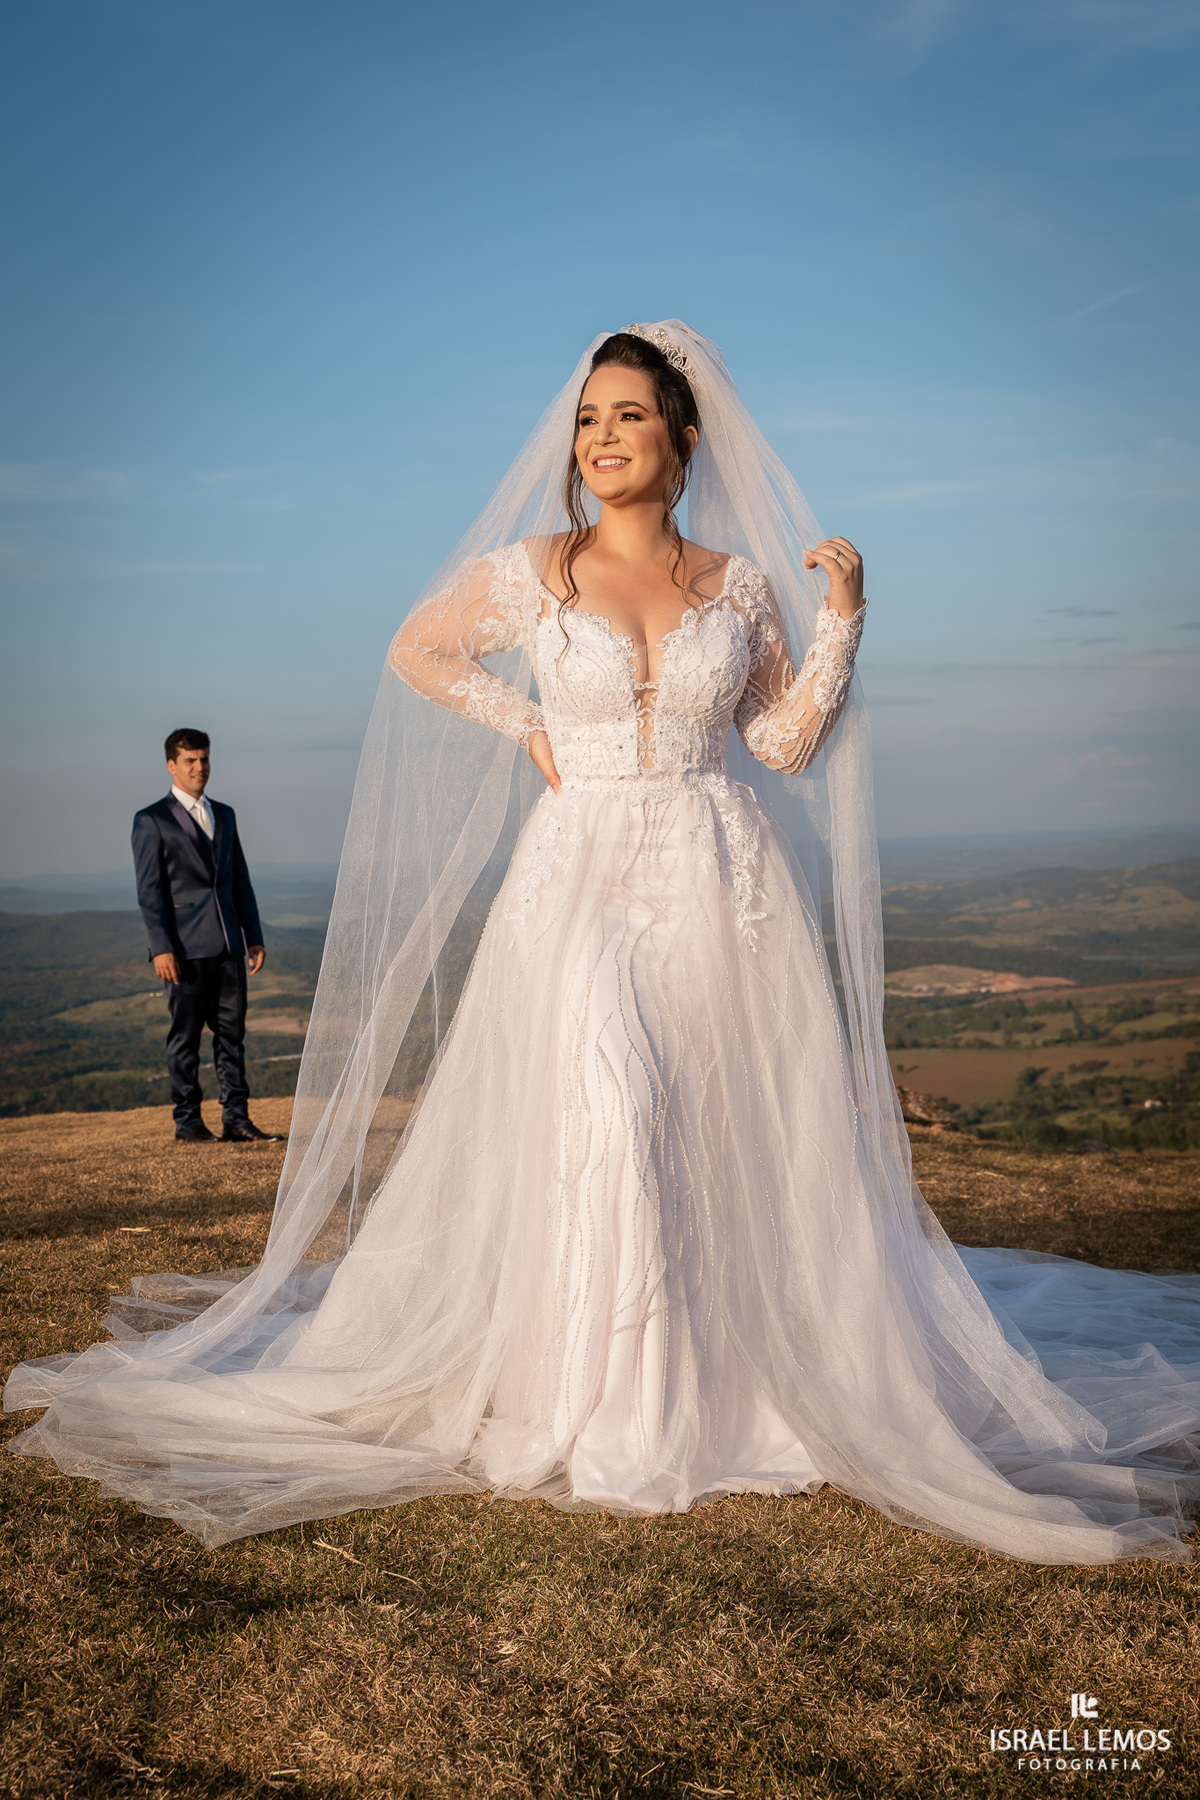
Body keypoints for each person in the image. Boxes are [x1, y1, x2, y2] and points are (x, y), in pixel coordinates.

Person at [6, 323, 1199, 1563]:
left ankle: (730, 1390)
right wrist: (526, 723)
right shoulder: (535, 569)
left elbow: (783, 743)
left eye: (628, 415)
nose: (600, 438)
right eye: (587, 418)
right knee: (604, 1098)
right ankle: (606, 1398)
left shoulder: (737, 586)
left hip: (719, 873)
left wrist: (844, 620)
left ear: (685, 437)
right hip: (576, 877)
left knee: (711, 1118)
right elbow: (419, 648)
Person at [131, 728, 278, 1143]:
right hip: (182, 950)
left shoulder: (226, 814)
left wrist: (254, 935)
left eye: (204, 759)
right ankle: (189, 1123)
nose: (199, 768)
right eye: (190, 760)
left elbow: (239, 881)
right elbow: (150, 891)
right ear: (171, 766)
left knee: (232, 1036)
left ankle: (237, 1119)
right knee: (186, 1039)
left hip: (230, 944)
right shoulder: (151, 820)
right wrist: (160, 947)